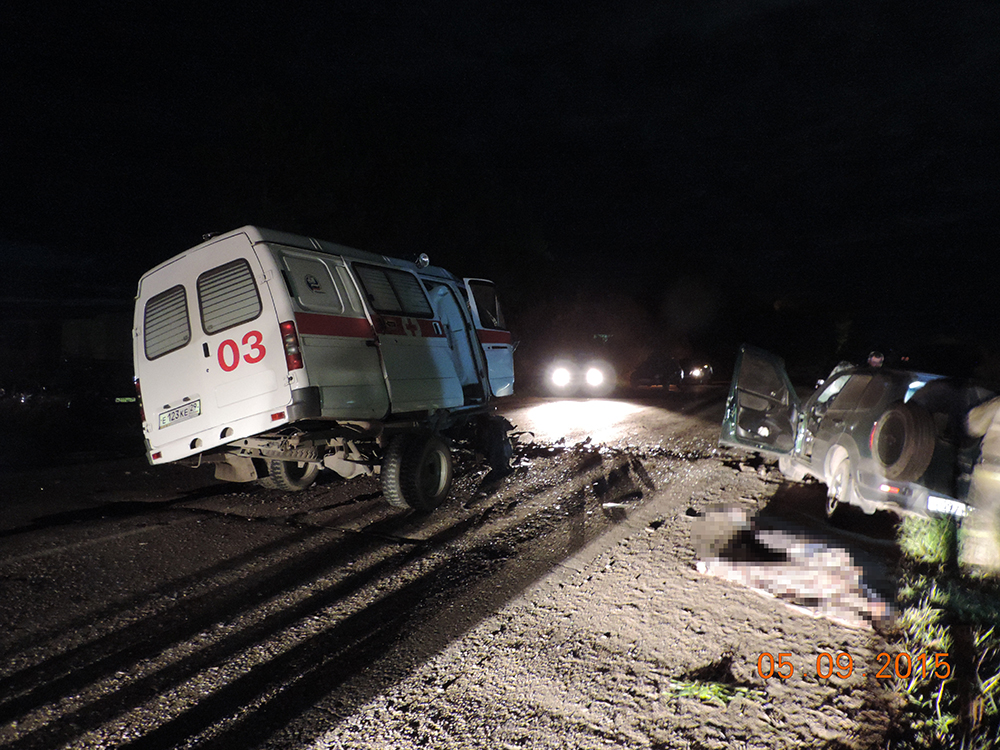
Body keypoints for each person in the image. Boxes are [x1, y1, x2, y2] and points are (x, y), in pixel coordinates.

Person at [962, 396, 1000, 573]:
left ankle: (975, 574)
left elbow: (973, 426)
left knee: (980, 529)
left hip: (990, 473)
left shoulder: (998, 404)